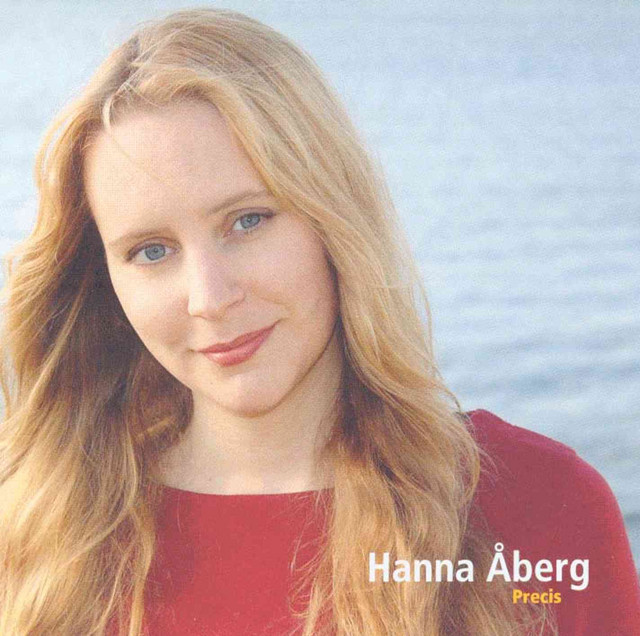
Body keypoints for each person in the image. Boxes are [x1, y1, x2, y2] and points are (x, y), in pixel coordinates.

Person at [0, 8, 638, 635]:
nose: (209, 298)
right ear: (105, 279)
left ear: (333, 216)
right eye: (151, 251)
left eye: (248, 220)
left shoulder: (541, 509)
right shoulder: (30, 531)